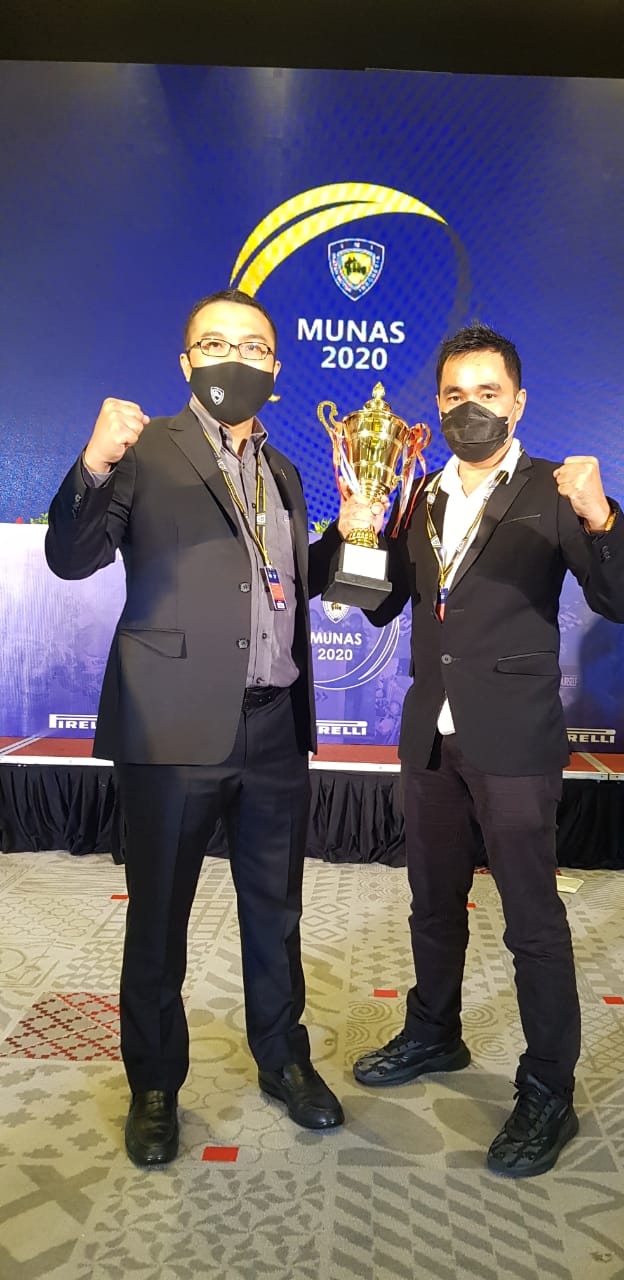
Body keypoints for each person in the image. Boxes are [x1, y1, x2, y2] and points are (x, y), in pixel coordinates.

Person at [45, 289, 365, 1166]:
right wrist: (94, 463)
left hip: (274, 725)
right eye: (216, 343)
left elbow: (290, 581)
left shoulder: (285, 469)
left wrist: (352, 534)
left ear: (276, 367)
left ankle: (282, 1059)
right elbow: (70, 557)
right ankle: (154, 1086)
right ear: (187, 362)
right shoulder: (145, 449)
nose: (236, 357)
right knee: (159, 919)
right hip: (172, 724)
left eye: (253, 346)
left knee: (277, 913)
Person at [352, 322, 624, 1177]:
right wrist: (360, 535)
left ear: (518, 402)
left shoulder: (555, 489)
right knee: (433, 904)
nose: (468, 407)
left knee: (532, 923)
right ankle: (433, 1032)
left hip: (514, 737)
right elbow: (376, 605)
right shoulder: (418, 491)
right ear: (436, 405)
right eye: (453, 394)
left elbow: (618, 600)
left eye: (487, 392)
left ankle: (548, 1088)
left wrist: (601, 515)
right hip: (431, 735)